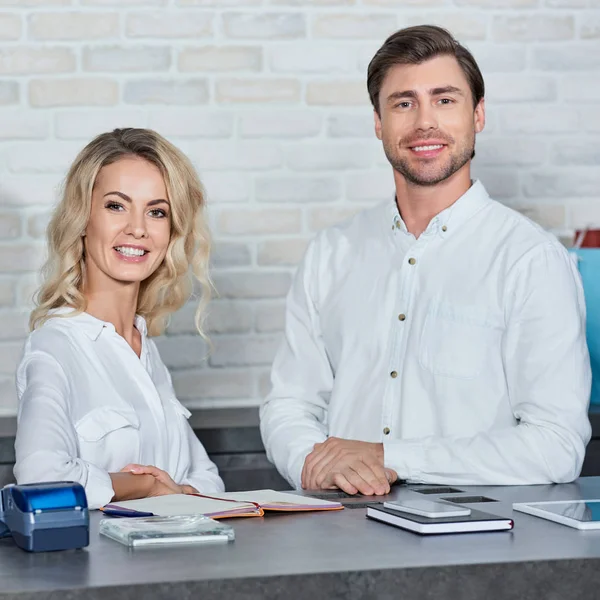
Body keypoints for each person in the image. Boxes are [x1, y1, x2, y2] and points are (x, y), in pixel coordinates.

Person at [260, 25, 592, 496]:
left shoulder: (531, 261)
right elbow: (289, 405)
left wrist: (389, 457)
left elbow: (556, 446)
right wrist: (315, 464)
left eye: (444, 99)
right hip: (339, 532)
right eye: (403, 103)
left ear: (477, 115)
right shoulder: (331, 253)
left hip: (479, 543)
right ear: (378, 122)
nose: (423, 123)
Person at [14, 128, 224, 509]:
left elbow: (207, 478)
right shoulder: (56, 346)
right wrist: (144, 487)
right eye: (116, 205)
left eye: (157, 211)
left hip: (178, 562)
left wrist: (175, 492)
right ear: (83, 217)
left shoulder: (145, 350)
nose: (138, 228)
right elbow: (39, 478)